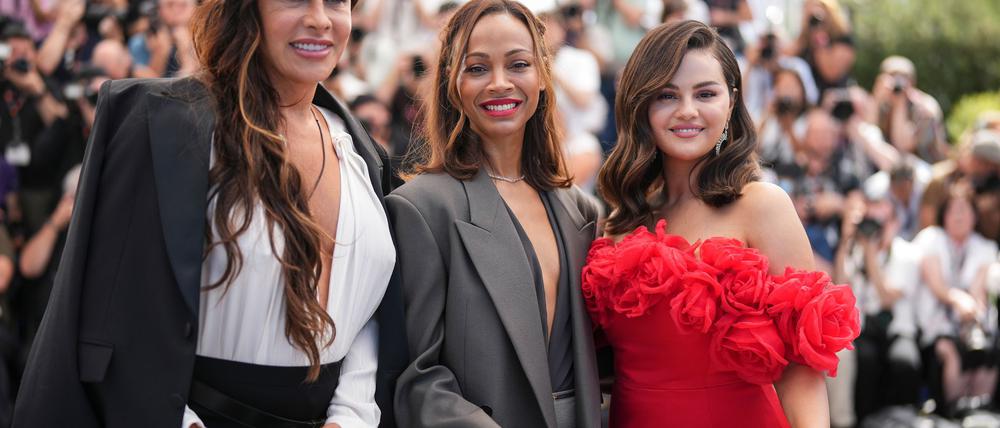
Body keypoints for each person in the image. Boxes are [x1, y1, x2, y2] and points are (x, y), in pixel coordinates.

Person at [12, 0, 408, 425]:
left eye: (335, 1)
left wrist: (351, 414)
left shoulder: (363, 152)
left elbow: (371, 309)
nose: (319, 18)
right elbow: (115, 308)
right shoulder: (163, 124)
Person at [582, 21, 859, 427]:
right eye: (667, 95)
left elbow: (803, 366)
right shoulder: (618, 221)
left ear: (730, 102)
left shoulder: (763, 205)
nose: (687, 111)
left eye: (705, 93)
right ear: (640, 106)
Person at [388, 1, 601, 426]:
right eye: (478, 68)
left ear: (542, 74)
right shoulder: (422, 208)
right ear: (453, 84)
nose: (500, 83)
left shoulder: (582, 211)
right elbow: (416, 375)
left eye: (518, 64)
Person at [914, 189, 999, 416]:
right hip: (938, 320)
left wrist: (973, 309)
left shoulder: (985, 246)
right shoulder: (931, 238)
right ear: (944, 214)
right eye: (953, 210)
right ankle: (954, 409)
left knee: (988, 352)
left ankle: (981, 409)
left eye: (964, 210)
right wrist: (958, 300)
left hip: (972, 321)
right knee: (950, 352)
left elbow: (980, 287)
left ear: (974, 215)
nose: (959, 216)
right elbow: (937, 285)